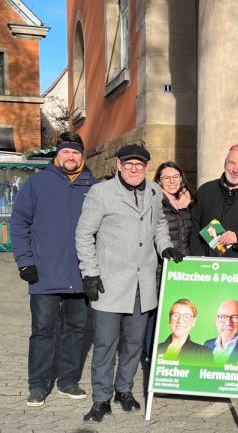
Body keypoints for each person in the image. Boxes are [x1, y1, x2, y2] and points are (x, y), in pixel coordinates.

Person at [75, 144, 184, 423]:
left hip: (142, 282)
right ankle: (101, 398)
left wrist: (165, 248)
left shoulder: (154, 191)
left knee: (134, 343)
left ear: (146, 168)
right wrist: (90, 272)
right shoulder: (101, 193)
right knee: (105, 344)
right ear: (119, 166)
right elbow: (84, 234)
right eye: (129, 164)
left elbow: (160, 224)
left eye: (140, 165)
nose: (135, 169)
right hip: (109, 283)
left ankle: (124, 389)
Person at [10, 131, 98, 408]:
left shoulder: (94, 186)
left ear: (82, 156)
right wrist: (25, 261)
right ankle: (38, 384)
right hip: (44, 274)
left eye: (75, 152)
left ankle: (68, 380)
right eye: (66, 152)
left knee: (75, 330)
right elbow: (19, 223)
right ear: (57, 154)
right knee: (43, 331)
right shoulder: (38, 182)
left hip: (80, 273)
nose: (70, 157)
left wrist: (96, 270)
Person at [146, 162, 194, 365]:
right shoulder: (154, 202)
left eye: (176, 177)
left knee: (176, 310)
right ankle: (150, 355)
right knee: (156, 312)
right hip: (160, 265)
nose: (172, 181)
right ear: (158, 181)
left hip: (183, 266)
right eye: (166, 178)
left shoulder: (189, 202)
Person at [189, 144, 238, 258]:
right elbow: (193, 228)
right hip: (205, 267)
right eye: (231, 163)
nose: (235, 170)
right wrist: (199, 256)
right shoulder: (205, 191)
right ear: (225, 163)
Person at [156, 299, 213, 365]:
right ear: (169, 319)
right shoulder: (155, 349)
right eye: (176, 315)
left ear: (193, 322)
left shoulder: (204, 354)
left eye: (187, 317)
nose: (180, 321)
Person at [204, 300, 238, 365]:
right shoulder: (207, 345)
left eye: (234, 317)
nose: (228, 323)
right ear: (216, 320)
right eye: (223, 317)